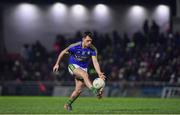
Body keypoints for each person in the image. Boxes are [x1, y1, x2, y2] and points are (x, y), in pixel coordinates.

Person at [53, 31, 106, 111]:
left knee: (78, 91)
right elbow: (63, 52)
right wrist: (57, 64)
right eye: (87, 40)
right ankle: (94, 91)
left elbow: (95, 62)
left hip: (83, 68)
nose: (89, 42)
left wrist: (99, 73)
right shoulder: (75, 46)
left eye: (91, 41)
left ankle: (67, 104)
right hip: (72, 66)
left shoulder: (93, 49)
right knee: (84, 74)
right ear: (83, 39)